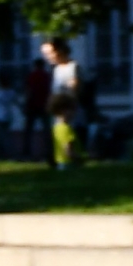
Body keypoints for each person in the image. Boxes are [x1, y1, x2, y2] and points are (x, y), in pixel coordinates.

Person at [45, 39, 82, 169]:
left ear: (59, 51)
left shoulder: (72, 66)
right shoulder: (56, 69)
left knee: (68, 136)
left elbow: (74, 88)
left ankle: (72, 159)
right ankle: (61, 161)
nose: (48, 57)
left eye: (50, 53)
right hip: (57, 108)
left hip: (67, 109)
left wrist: (68, 106)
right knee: (59, 136)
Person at [21, 56, 51, 160]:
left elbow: (29, 91)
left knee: (28, 130)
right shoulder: (46, 76)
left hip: (33, 105)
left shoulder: (32, 76)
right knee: (47, 130)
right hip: (44, 105)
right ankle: (48, 151)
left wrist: (26, 104)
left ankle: (26, 151)